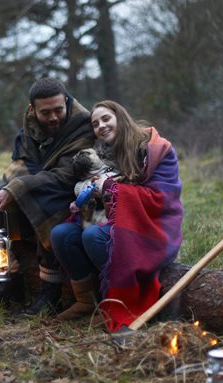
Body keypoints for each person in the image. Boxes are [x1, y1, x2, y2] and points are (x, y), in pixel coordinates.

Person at [50, 100, 184, 332]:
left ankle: (120, 301)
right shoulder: (99, 154)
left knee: (93, 237)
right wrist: (86, 196)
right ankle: (86, 301)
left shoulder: (153, 148)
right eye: (95, 123)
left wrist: (110, 187)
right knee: (61, 234)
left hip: (150, 227)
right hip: (111, 220)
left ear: (120, 117)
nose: (101, 126)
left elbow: (160, 198)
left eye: (106, 119)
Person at [0, 77, 95, 315]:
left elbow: (66, 176)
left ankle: (50, 293)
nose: (53, 117)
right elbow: (21, 164)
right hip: (32, 192)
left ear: (67, 102)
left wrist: (19, 186)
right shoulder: (30, 128)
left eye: (58, 110)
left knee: (45, 200)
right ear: (33, 110)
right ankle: (7, 281)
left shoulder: (84, 127)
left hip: (67, 200)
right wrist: (14, 187)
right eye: (45, 112)